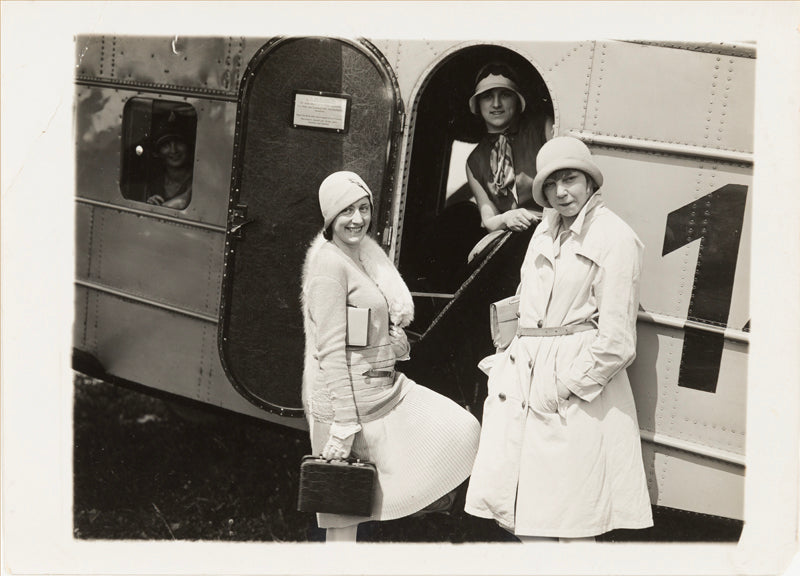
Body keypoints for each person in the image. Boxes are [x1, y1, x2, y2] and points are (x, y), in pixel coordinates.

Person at [465, 137, 653, 541]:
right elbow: (527, 300)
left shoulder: (615, 238)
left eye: (570, 180)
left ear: (589, 181)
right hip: (524, 383)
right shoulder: (544, 231)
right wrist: (504, 363)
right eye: (551, 185)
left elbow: (617, 341)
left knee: (570, 524)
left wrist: (565, 387)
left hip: (571, 394)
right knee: (525, 519)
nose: (560, 192)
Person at [301, 171, 481, 541]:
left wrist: (394, 344)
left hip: (384, 392)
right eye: (345, 210)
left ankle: (422, 502)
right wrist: (344, 425)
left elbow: (361, 329)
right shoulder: (328, 264)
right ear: (329, 218)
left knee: (464, 428)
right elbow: (331, 350)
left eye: (363, 208)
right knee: (342, 523)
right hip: (347, 406)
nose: (357, 219)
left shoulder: (361, 257)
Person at [466, 62, 551, 236]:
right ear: (477, 104)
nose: (496, 104)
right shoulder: (474, 161)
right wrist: (506, 218)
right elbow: (489, 219)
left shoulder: (543, 128)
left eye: (505, 95)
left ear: (517, 100)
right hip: (512, 240)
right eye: (487, 96)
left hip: (551, 231)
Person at [146, 129, 193, 210]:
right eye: (166, 145)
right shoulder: (156, 182)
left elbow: (183, 201)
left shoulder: (197, 179)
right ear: (158, 152)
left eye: (179, 143)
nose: (173, 150)